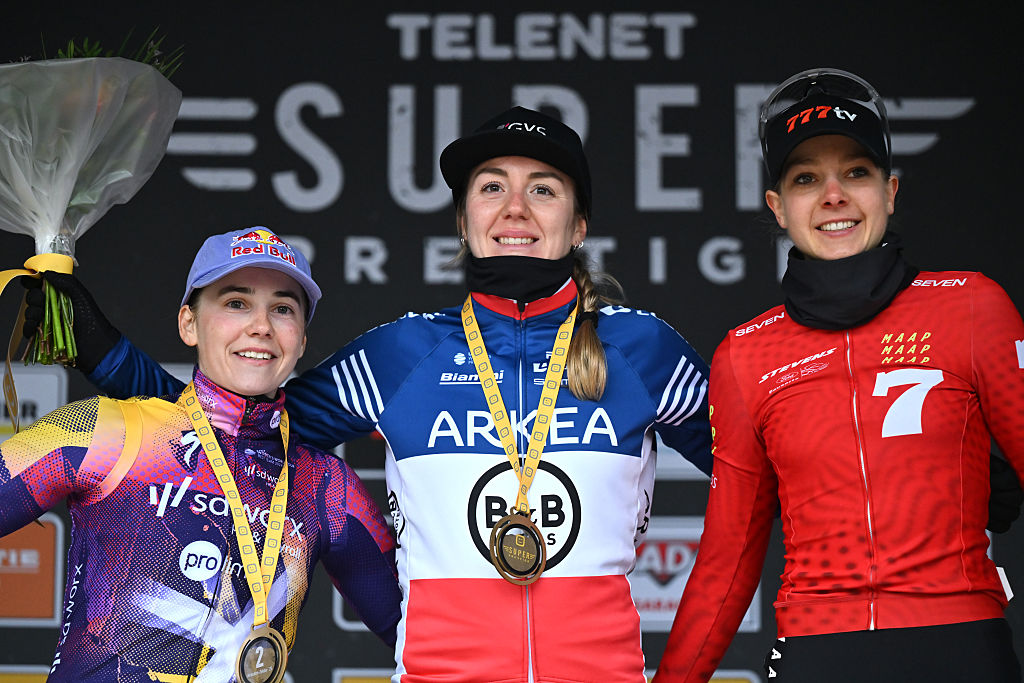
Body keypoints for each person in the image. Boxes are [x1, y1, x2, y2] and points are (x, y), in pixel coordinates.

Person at [31, 107, 714, 681]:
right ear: (463, 219)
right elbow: (232, 427)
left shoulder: (642, 350)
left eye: (543, 189)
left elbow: (758, 479)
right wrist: (104, 352)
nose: (515, 208)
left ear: (580, 224)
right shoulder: (401, 355)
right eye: (491, 187)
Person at [654, 68, 1024, 683]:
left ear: (890, 191)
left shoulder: (970, 305)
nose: (833, 195)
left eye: (856, 172)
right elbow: (726, 561)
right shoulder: (746, 353)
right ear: (778, 207)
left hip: (961, 642)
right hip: (818, 647)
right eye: (806, 178)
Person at [2, 227, 402, 682]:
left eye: (283, 309)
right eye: (236, 303)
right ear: (188, 324)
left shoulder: (326, 486)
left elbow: (421, 631)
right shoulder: (105, 431)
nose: (261, 326)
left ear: (302, 340)